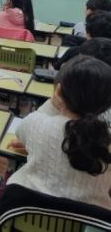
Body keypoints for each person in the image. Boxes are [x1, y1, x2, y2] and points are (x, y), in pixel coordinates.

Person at [7, 56, 111, 209]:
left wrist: (53, 104)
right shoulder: (107, 139)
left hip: (26, 213)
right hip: (89, 220)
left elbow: (20, 132)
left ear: (58, 91)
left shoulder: (37, 124)